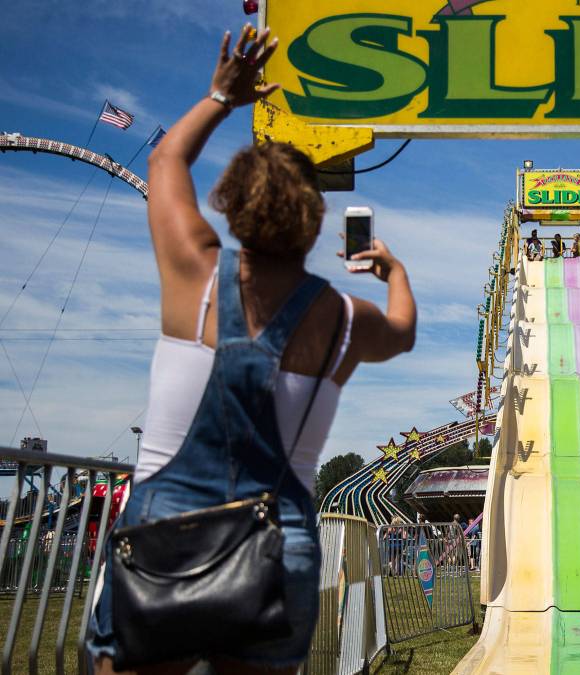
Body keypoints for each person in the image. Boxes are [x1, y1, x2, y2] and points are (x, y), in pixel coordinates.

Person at [88, 25, 416, 675]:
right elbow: (403, 330)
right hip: (278, 549)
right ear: (316, 221)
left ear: (231, 206)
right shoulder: (342, 318)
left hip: (164, 541)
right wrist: (394, 271)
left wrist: (221, 95)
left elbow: (165, 163)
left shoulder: (194, 277)